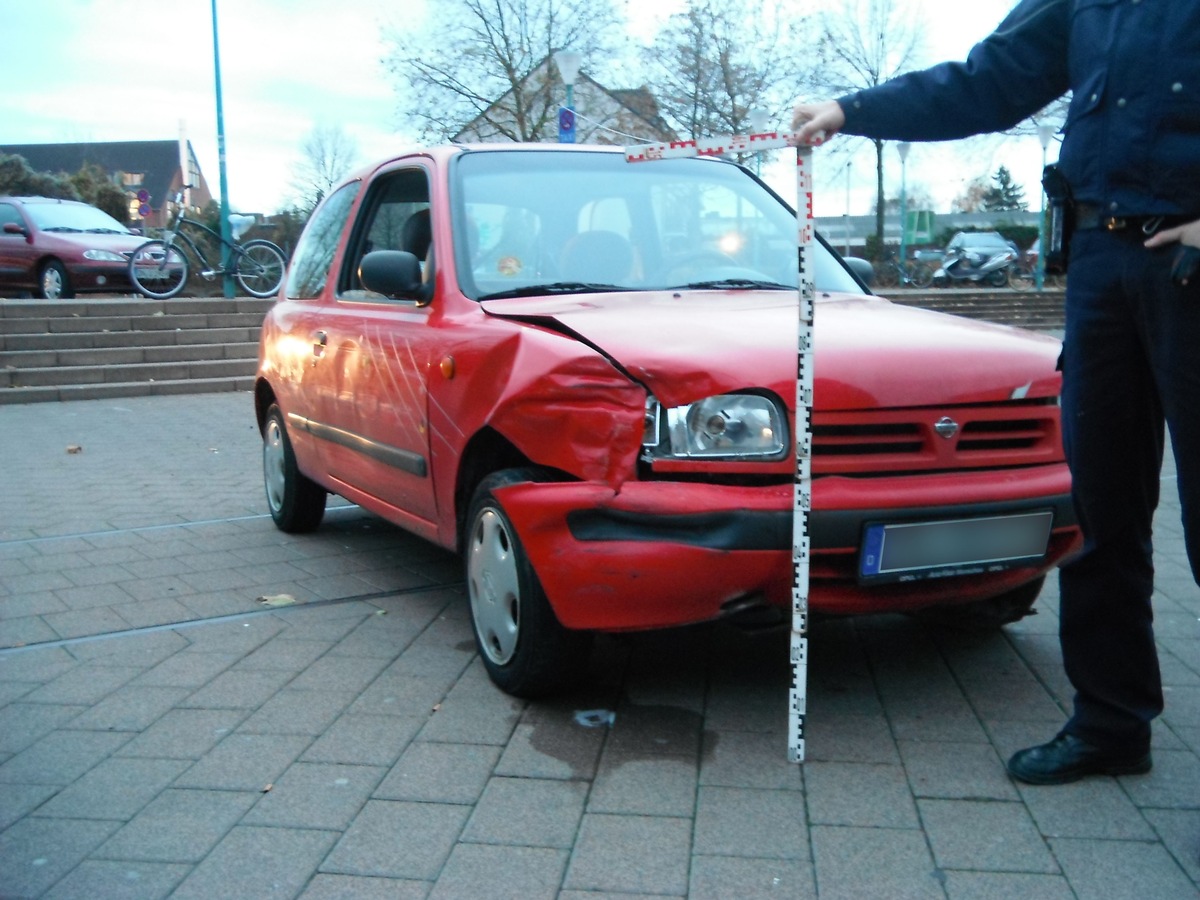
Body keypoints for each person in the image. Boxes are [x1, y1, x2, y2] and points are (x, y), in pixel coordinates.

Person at [794, 0, 1200, 785]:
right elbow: (987, 81)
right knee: (1102, 511)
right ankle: (1112, 722)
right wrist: (851, 110)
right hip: (1100, 264)